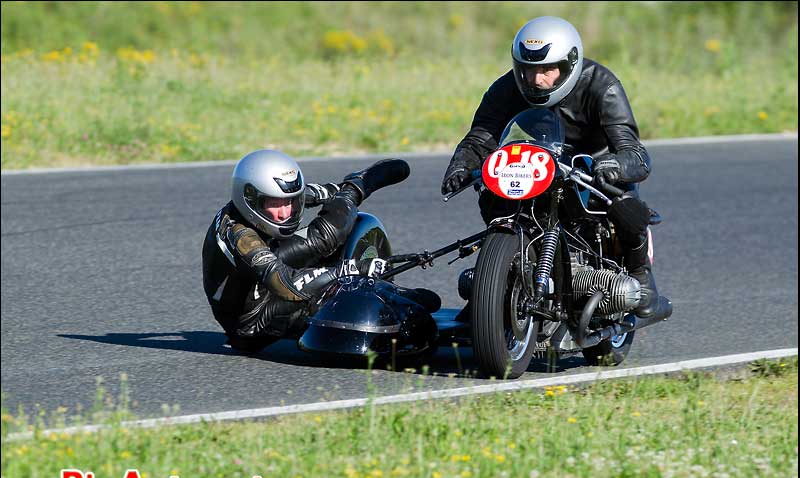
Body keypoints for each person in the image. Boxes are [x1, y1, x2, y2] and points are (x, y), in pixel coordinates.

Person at [441, 16, 662, 318]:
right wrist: (461, 166)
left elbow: (636, 153)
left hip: (592, 173)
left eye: (547, 69)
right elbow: (481, 136)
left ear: (569, 64)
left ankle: (640, 273)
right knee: (492, 192)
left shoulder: (602, 85)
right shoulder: (506, 88)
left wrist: (614, 164)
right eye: (529, 69)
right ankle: (497, 285)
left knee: (626, 206)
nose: (536, 80)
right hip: (538, 165)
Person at [202, 149, 411, 352]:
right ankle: (384, 300)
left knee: (359, 222)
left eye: (291, 202)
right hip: (254, 322)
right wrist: (350, 269)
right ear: (250, 198)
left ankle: (358, 184)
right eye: (275, 203)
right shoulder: (241, 238)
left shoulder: (261, 203)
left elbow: (325, 194)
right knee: (324, 240)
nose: (286, 213)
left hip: (264, 283)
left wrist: (354, 188)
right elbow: (284, 284)